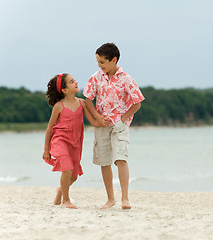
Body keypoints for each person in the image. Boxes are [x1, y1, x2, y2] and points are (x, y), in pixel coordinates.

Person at [83, 43, 145, 210]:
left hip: (119, 126)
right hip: (101, 125)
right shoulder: (96, 77)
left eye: (102, 62)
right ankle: (110, 199)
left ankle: (125, 198)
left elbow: (137, 102)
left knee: (121, 159)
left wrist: (123, 119)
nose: (99, 65)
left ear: (113, 60)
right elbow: (88, 99)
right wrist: (97, 117)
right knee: (104, 161)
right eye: (98, 62)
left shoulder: (126, 78)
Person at [43, 73, 99, 209]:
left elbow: (93, 122)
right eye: (72, 82)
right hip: (60, 140)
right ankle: (66, 200)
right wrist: (46, 150)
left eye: (75, 80)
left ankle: (60, 190)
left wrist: (102, 122)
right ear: (64, 90)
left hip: (75, 143)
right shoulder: (59, 106)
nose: (76, 82)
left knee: (73, 176)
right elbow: (50, 128)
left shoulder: (82, 103)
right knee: (66, 168)